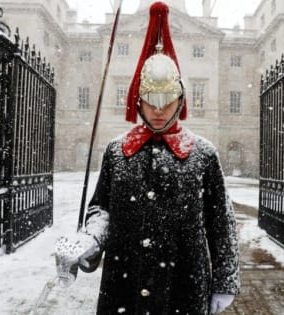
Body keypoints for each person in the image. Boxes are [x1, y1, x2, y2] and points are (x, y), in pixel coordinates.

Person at [70, 2, 240, 314]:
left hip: (183, 283)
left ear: (180, 100)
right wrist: (91, 238)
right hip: (125, 283)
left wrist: (225, 280)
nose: (158, 109)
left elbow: (221, 223)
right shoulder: (116, 151)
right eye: (150, 101)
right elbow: (101, 208)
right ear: (139, 101)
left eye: (167, 100)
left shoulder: (203, 154)